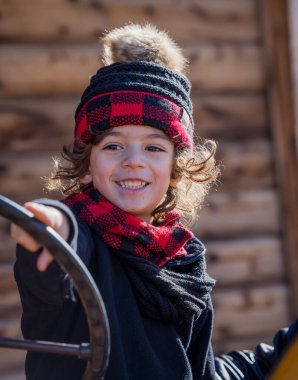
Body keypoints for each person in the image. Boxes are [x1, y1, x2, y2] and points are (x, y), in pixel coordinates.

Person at [10, 24, 297, 380]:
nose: (133, 160)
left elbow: (198, 372)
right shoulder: (75, 240)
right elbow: (60, 250)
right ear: (85, 167)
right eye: (113, 145)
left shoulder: (185, 261)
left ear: (176, 171)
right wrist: (55, 227)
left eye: (154, 147)